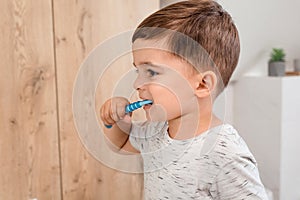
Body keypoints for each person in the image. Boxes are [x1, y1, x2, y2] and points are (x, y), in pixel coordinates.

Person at [100, 0, 268, 199]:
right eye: (139, 71)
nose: (137, 83)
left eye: (151, 72)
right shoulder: (157, 130)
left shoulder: (226, 155)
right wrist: (118, 121)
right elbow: (122, 144)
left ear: (202, 84)